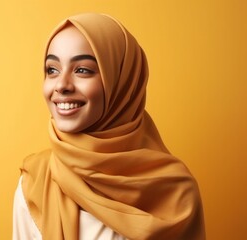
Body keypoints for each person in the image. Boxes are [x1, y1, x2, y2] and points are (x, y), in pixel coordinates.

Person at [13, 13, 205, 240]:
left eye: (82, 70)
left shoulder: (175, 193)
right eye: (52, 70)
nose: (62, 85)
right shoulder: (35, 181)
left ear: (122, 81)